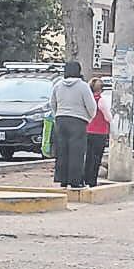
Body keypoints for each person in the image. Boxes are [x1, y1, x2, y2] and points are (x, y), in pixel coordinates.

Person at [50, 61, 96, 189]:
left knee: (62, 151)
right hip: (78, 121)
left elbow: (52, 103)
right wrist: (88, 118)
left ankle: (62, 179)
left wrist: (57, 115)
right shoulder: (83, 86)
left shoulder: (58, 85)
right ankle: (76, 181)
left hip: (61, 120)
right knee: (77, 152)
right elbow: (91, 106)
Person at [84, 77, 112, 187]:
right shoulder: (101, 100)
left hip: (88, 130)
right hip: (100, 132)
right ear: (100, 89)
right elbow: (107, 117)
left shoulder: (87, 100)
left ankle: (85, 179)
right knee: (96, 158)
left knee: (88, 157)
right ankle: (92, 180)